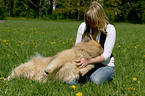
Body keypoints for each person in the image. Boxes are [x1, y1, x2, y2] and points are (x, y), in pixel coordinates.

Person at [67, 1, 116, 85]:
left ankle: (95, 76)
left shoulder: (110, 29)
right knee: (69, 81)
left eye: (93, 21)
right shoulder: (83, 26)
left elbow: (106, 55)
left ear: (100, 18)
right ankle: (85, 76)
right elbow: (76, 47)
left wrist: (88, 61)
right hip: (84, 62)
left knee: (95, 81)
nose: (90, 23)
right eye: (88, 20)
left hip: (104, 65)